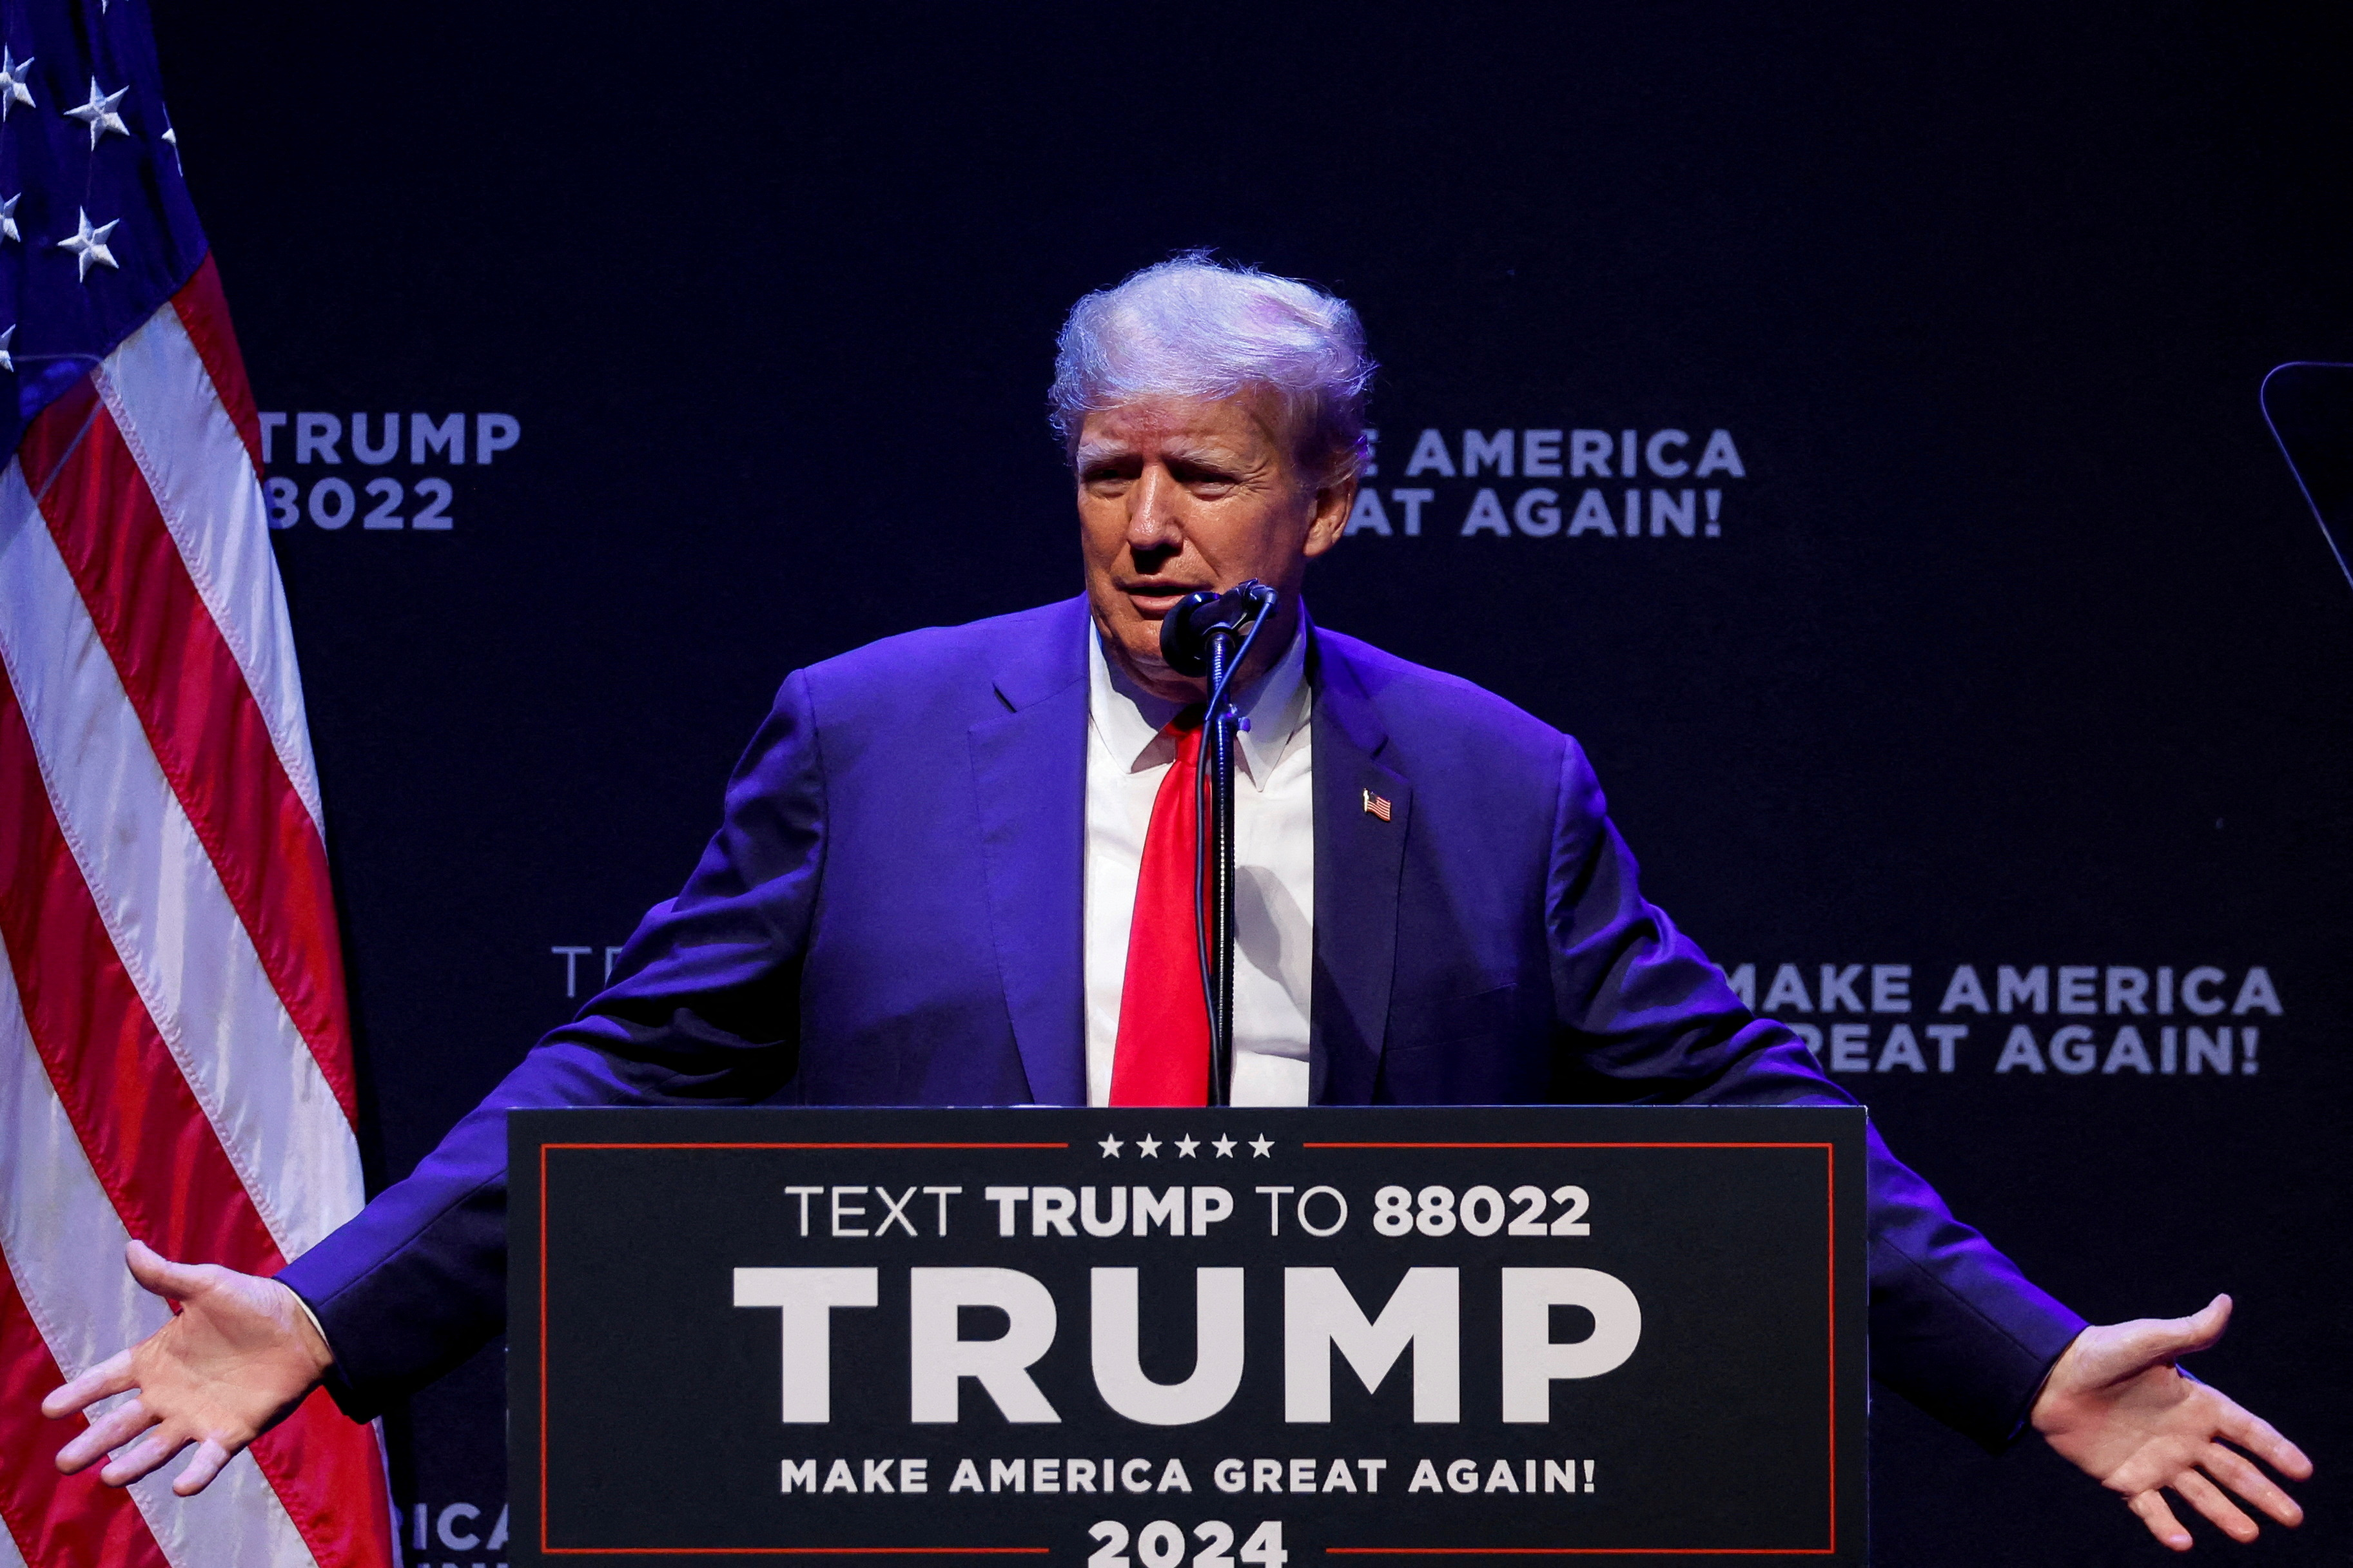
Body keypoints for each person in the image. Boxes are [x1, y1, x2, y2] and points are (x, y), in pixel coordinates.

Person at [46, 255, 2309, 1553]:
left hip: (1347, 1501)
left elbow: (1747, 1109)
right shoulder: (869, 732)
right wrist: (330, 1311)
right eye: (1105, 472)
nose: (1145, 526)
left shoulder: (1495, 783)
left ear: (1326, 501)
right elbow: (620, 1066)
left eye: (1202, 476)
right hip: (934, 1495)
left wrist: (2024, 1356)